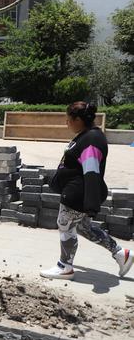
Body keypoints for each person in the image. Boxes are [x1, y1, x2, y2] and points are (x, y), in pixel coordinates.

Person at [40, 101, 133, 280]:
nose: (66, 124)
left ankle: (65, 266)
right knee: (83, 227)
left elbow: (91, 172)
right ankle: (121, 254)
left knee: (65, 225)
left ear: (77, 120)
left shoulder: (91, 139)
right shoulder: (87, 135)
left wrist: (91, 203)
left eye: (68, 120)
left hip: (78, 194)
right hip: (77, 191)